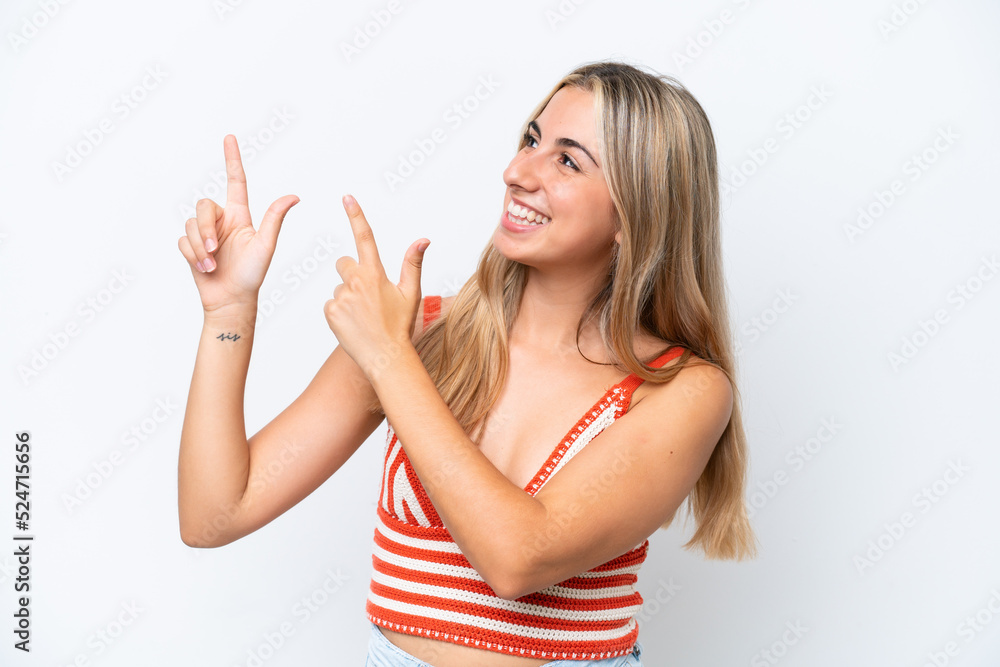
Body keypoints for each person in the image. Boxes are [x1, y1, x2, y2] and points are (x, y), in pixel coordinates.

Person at [176, 59, 758, 667]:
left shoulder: (683, 391)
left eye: (567, 160)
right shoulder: (420, 331)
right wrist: (229, 313)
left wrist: (388, 358)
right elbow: (215, 515)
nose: (516, 172)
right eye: (530, 140)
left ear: (636, 212)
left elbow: (518, 558)